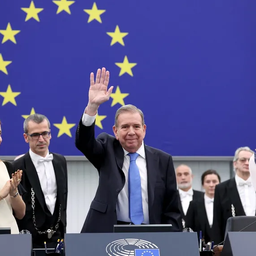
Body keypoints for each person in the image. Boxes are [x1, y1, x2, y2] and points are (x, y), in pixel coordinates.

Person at [75, 67, 182, 233]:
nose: (131, 132)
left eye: (136, 126)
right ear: (115, 131)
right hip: (110, 231)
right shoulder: (107, 149)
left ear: (144, 129)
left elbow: (172, 208)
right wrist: (92, 107)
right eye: (124, 127)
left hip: (151, 233)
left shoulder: (163, 160)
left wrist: (172, 241)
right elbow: (84, 143)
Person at [12, 114, 68, 248]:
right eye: (35, 135)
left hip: (58, 238)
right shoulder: (17, 166)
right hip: (28, 241)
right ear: (26, 137)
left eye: (45, 133)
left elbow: (62, 200)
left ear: (50, 134)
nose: (41, 139)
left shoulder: (61, 161)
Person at [212, 146, 254, 244]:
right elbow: (217, 223)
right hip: (232, 245)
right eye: (243, 160)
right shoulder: (221, 189)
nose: (247, 163)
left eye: (250, 161)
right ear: (235, 163)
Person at [0, 120, 26, 233]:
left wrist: (13, 192)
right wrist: (1, 194)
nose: (0, 139)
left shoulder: (6, 167)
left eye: (0, 134)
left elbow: (21, 213)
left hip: (9, 239)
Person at [186, 169, 221, 243]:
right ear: (203, 184)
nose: (211, 185)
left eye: (214, 182)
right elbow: (188, 227)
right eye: (208, 182)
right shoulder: (194, 204)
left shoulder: (225, 203)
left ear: (220, 183)